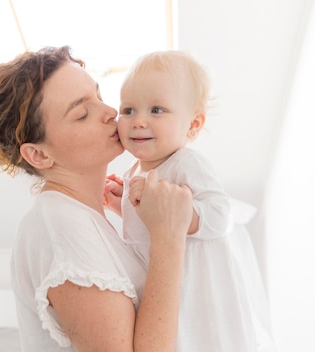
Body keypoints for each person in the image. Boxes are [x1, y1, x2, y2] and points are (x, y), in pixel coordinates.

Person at [0, 45, 193, 351]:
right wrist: (169, 241)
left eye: (99, 97)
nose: (111, 113)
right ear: (38, 154)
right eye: (82, 113)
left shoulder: (80, 218)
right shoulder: (61, 229)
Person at [113, 49, 276, 351]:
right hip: (163, 284)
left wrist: (182, 216)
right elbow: (150, 225)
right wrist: (121, 206)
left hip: (198, 284)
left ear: (193, 125)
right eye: (128, 110)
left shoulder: (185, 163)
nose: (138, 121)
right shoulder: (132, 171)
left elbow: (220, 214)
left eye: (157, 110)